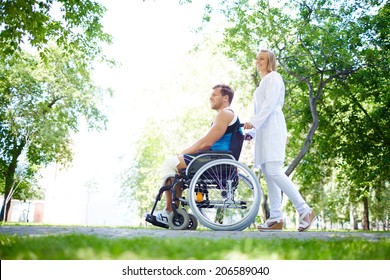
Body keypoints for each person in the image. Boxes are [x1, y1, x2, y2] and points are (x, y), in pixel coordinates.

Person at [244, 49, 316, 232]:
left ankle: (304, 210)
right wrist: (252, 131)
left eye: (262, 58)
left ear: (270, 62)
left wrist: (253, 122)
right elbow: (260, 109)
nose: (258, 61)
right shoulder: (261, 84)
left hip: (274, 126)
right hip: (264, 128)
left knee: (274, 170)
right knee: (269, 173)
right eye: (257, 58)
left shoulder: (274, 77)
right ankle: (276, 217)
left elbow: (269, 104)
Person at [155, 84, 241, 225]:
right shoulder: (227, 115)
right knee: (176, 170)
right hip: (217, 159)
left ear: (225, 98)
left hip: (213, 160)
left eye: (215, 95)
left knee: (170, 163)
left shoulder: (225, 114)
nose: (210, 97)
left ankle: (169, 211)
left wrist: (183, 153)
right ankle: (174, 213)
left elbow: (205, 144)